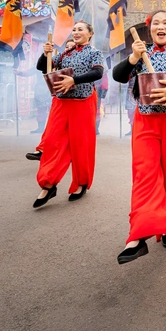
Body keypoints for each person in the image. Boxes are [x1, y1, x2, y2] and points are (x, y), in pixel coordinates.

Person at [111, 10, 166, 265]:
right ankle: (138, 236)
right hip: (146, 121)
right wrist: (132, 58)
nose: (161, 27)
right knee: (144, 174)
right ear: (150, 30)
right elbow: (118, 75)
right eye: (156, 23)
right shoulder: (141, 54)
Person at [31, 21, 104, 208]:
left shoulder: (94, 53)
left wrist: (74, 80)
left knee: (81, 144)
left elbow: (98, 73)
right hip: (62, 101)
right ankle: (48, 184)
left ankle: (81, 183)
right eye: (74, 30)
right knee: (52, 142)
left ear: (90, 33)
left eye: (80, 29)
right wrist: (45, 54)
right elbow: (43, 68)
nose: (76, 32)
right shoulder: (65, 53)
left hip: (83, 102)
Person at [25, 39, 75, 161]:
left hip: (78, 99)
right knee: (53, 126)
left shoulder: (86, 58)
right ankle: (43, 149)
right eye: (67, 46)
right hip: (60, 98)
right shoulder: (61, 58)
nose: (69, 48)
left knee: (73, 129)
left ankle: (72, 153)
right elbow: (41, 67)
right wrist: (45, 54)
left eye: (72, 46)